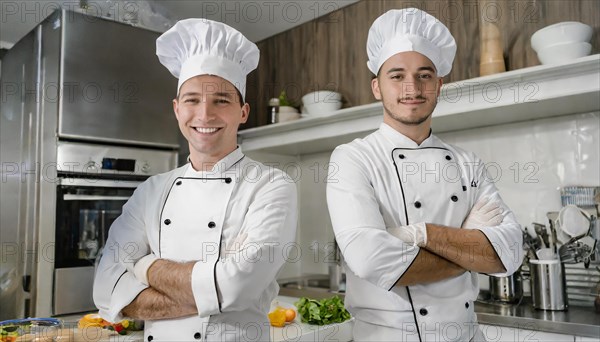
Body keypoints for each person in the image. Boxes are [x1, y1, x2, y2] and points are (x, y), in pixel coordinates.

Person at [93, 19, 298, 341]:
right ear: (177, 109)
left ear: (243, 111)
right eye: (192, 100)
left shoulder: (271, 185)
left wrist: (145, 266)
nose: (204, 115)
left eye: (221, 100)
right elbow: (106, 288)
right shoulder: (151, 191)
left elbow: (239, 287)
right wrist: (212, 287)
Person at [326, 8, 523, 342]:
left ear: (439, 84)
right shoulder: (353, 158)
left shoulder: (467, 163)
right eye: (397, 75)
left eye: (425, 75)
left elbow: (511, 252)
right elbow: (370, 258)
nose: (412, 87)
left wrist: (419, 233)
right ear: (377, 87)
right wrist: (468, 250)